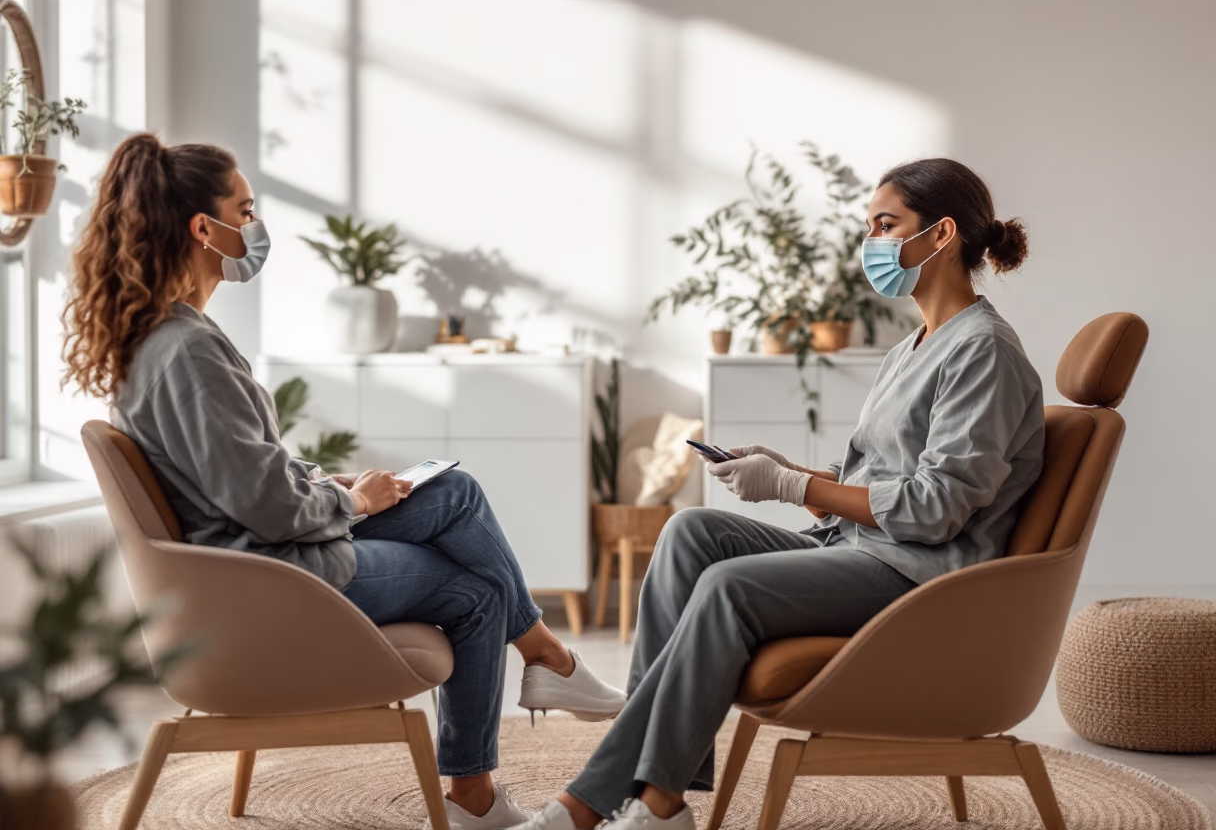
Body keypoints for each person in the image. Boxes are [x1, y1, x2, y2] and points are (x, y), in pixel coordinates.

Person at [61, 133, 625, 830]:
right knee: (476, 587)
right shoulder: (186, 353)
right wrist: (351, 499)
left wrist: (325, 480)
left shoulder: (168, 338)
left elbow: (239, 472)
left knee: (450, 492)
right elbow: (265, 506)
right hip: (271, 575)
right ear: (203, 229)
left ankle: (535, 678)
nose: (256, 225)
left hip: (254, 558)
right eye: (246, 208)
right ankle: (514, 718)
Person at [510, 157, 1045, 830]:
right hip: (861, 546)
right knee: (690, 533)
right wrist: (790, 475)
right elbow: (877, 482)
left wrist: (795, 485)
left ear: (940, 236)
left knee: (728, 586)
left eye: (887, 224)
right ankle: (658, 797)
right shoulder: (913, 346)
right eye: (869, 225)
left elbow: (935, 511)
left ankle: (600, 802)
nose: (872, 242)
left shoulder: (984, 351)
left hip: (918, 574)